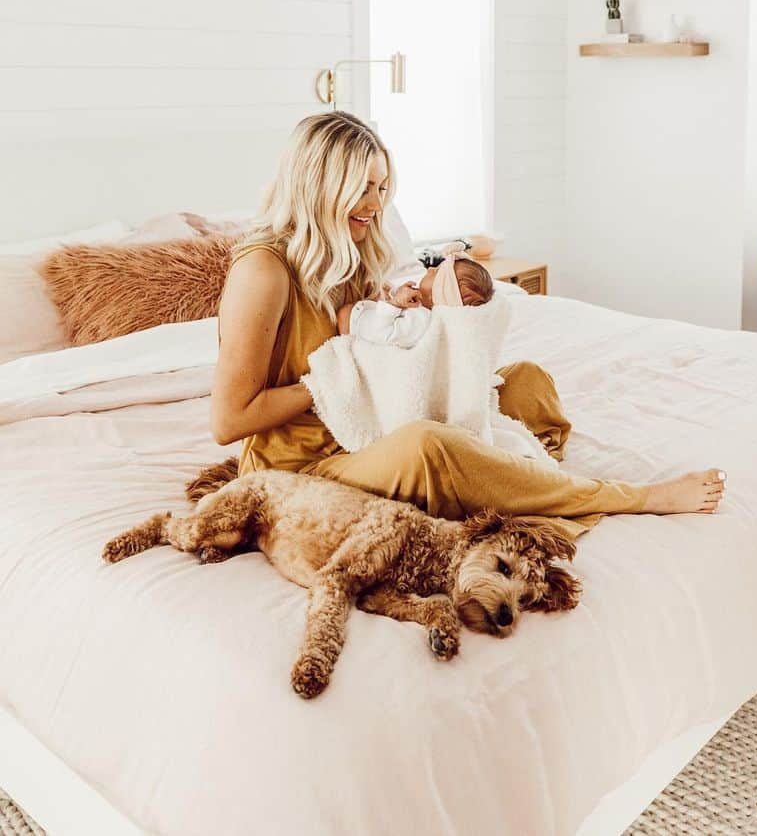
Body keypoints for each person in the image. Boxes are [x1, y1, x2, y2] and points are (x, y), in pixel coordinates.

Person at [211, 111, 725, 531]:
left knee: (524, 384)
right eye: (363, 189)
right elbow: (230, 420)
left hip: (367, 428)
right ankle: (629, 499)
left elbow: (382, 342)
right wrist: (343, 373)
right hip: (301, 469)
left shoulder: (352, 250)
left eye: (382, 188)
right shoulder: (263, 269)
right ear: (321, 185)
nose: (376, 205)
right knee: (430, 446)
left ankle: (515, 479)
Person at [336, 250, 494, 348]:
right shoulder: (421, 309)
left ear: (437, 293)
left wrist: (394, 303)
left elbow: (385, 334)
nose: (430, 269)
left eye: (436, 272)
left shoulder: (420, 321)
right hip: (367, 319)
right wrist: (395, 293)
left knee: (344, 312)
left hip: (356, 329)